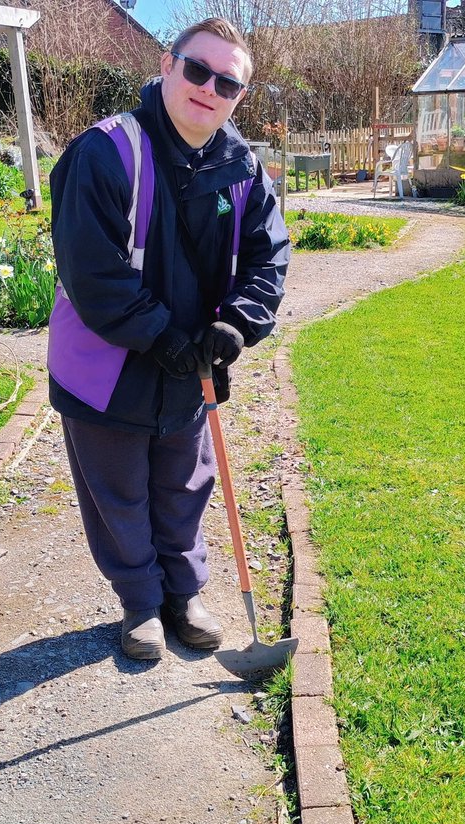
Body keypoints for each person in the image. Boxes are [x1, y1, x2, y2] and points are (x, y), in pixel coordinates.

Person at [47, 18, 290, 660]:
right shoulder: (102, 154)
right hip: (106, 365)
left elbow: (269, 260)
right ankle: (139, 605)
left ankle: (185, 596)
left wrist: (235, 324)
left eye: (229, 83)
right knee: (118, 490)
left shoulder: (241, 167)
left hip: (192, 361)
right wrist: (158, 335)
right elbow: (91, 271)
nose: (210, 88)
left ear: (239, 96)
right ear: (167, 65)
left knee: (184, 483)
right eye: (199, 70)